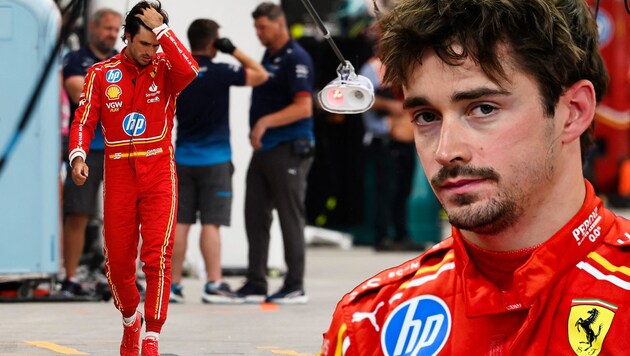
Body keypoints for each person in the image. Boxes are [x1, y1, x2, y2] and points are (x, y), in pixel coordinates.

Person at [321, 0, 630, 354]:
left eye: (483, 108)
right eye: (426, 116)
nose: (445, 151)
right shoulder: (371, 321)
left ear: (573, 112)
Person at [68, 1, 198, 355]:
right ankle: (130, 320)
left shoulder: (167, 69)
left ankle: (152, 335)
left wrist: (163, 31)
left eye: (155, 45)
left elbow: (191, 69)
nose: (150, 52)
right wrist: (77, 155)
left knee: (157, 256)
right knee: (119, 261)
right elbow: (82, 121)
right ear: (126, 38)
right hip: (119, 174)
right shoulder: (100, 73)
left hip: (159, 172)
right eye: (144, 44)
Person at [170, 18, 268, 304]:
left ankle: (173, 286)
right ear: (214, 42)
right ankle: (214, 283)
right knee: (211, 224)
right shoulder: (222, 70)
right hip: (215, 160)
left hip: (182, 158)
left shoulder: (180, 70)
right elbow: (261, 75)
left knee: (180, 224)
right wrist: (233, 50)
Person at [235, 2, 315, 304]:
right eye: (256, 27)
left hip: (289, 148)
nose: (258, 33)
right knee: (254, 214)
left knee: (289, 216)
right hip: (266, 149)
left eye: (263, 27)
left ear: (279, 23)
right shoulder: (269, 56)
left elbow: (304, 106)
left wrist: (264, 123)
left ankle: (295, 284)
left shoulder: (297, 58)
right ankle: (256, 281)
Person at [60, 7, 122, 297]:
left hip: (117, 149)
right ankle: (70, 277)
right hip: (85, 149)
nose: (112, 35)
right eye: (108, 29)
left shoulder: (122, 60)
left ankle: (121, 275)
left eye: (116, 30)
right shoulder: (76, 59)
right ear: (94, 29)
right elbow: (77, 93)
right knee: (78, 213)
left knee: (122, 215)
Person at [359, 53, 418, 252]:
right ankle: (382, 236)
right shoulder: (373, 68)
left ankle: (402, 234)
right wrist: (390, 106)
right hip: (383, 140)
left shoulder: (409, 63)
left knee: (403, 189)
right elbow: (361, 96)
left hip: (406, 138)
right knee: (385, 190)